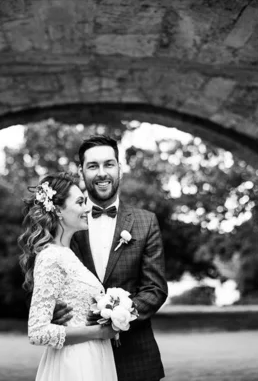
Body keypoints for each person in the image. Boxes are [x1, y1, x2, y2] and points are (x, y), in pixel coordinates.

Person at [54, 135, 168, 381]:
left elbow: (155, 289)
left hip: (136, 358)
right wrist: (52, 310)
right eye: (93, 166)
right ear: (81, 171)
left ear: (119, 168)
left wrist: (117, 316)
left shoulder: (145, 222)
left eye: (109, 164)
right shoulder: (64, 223)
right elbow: (47, 279)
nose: (102, 173)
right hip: (81, 358)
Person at [19, 172, 119, 381]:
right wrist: (99, 332)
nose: (87, 208)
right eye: (80, 202)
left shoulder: (68, 253)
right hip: (74, 365)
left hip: (93, 358)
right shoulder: (50, 256)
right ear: (58, 210)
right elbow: (37, 332)